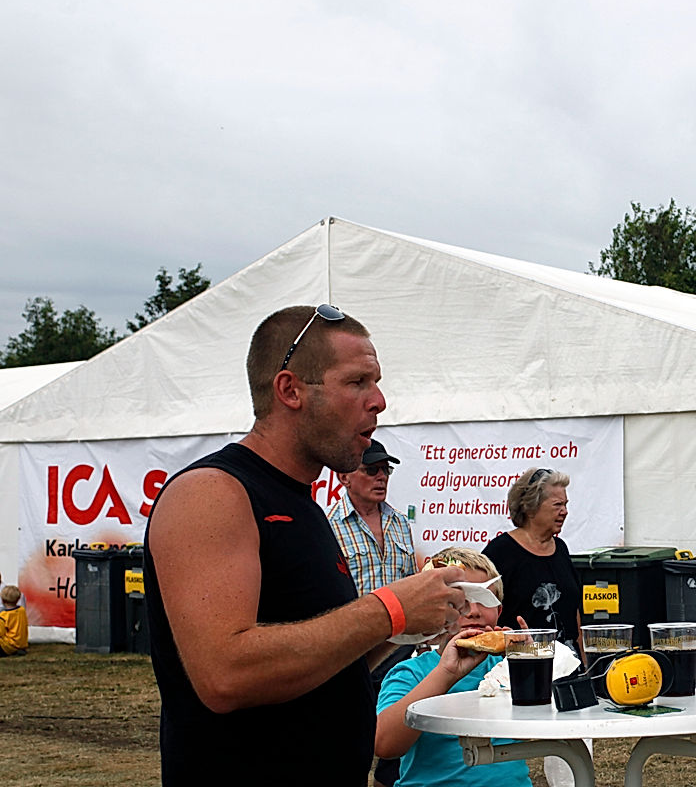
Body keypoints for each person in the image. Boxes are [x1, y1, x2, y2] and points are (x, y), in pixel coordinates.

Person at [143, 304, 471, 786]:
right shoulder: (213, 492)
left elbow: (320, 662)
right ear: (290, 389)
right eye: (358, 382)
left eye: (375, 383)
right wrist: (388, 611)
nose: (378, 400)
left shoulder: (305, 506)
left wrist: (412, 619)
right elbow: (224, 674)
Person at [375, 547, 532, 787]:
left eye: (484, 601)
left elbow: (545, 725)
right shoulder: (411, 673)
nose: (475, 612)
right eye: (461, 602)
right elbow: (385, 745)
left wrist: (530, 664)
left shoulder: (507, 666)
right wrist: (446, 674)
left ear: (499, 611)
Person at [327, 437, 419, 787]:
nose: (381, 477)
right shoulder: (329, 526)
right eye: (371, 469)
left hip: (400, 649)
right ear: (344, 476)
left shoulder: (399, 523)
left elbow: (410, 585)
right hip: (354, 652)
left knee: (396, 751)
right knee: (349, 744)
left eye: (386, 470)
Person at [483, 468, 584, 656]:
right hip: (522, 665)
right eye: (557, 505)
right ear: (530, 507)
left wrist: (584, 663)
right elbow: (484, 613)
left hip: (568, 666)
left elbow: (573, 610)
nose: (565, 512)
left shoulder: (561, 548)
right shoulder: (500, 552)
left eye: (566, 504)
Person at [0, 585, 29, 657]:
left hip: (8, 646)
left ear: (3, 600)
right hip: (21, 644)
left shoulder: (3, 616)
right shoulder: (22, 610)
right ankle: (18, 650)